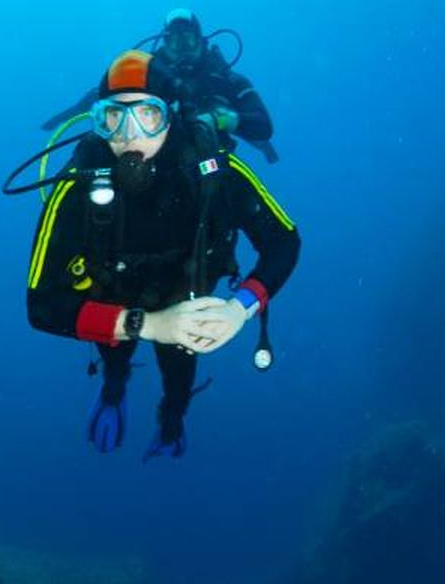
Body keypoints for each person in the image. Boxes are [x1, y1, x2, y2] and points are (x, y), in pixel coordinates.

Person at [26, 50, 299, 459]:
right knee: (115, 359)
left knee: (179, 372)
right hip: (117, 305)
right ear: (98, 121)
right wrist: (148, 324)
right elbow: (41, 306)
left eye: (147, 114)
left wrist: (239, 309)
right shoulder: (76, 188)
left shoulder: (215, 173)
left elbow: (284, 242)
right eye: (113, 117)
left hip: (187, 304)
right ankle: (114, 389)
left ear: (171, 116)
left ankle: (171, 419)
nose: (128, 134)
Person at [40, 8, 278, 162]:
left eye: (188, 38)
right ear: (164, 44)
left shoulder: (229, 82)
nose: (182, 47)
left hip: (208, 169)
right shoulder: (148, 77)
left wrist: (219, 119)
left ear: (202, 41)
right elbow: (105, 93)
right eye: (174, 41)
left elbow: (262, 126)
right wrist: (68, 115)